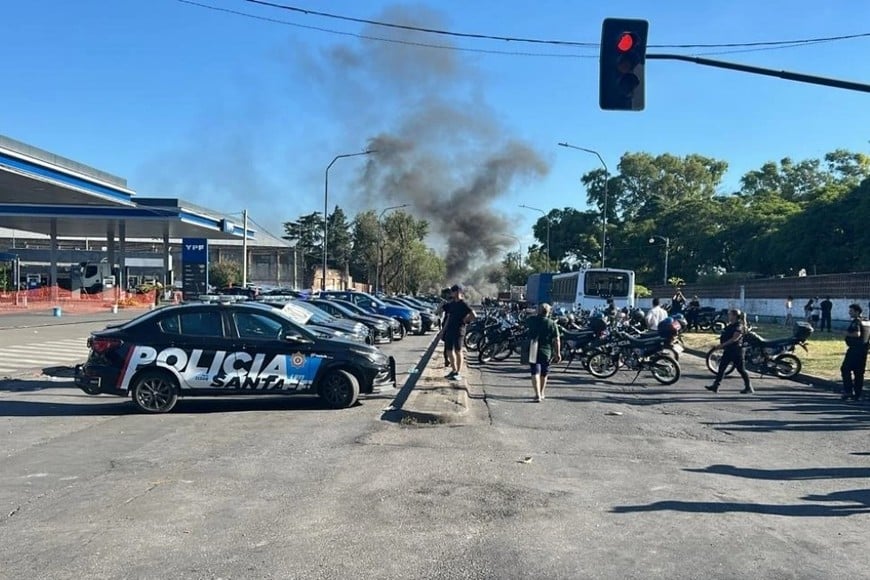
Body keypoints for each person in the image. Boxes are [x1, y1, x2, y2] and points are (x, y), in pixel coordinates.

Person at [705, 308, 754, 394]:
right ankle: (715, 386)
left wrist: (721, 345)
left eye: (730, 314)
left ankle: (749, 387)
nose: (728, 316)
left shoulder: (739, 326)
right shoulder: (731, 325)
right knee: (721, 368)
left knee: (741, 370)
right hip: (728, 350)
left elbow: (734, 339)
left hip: (736, 351)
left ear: (735, 316)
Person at [524, 303, 561, 402]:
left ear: (538, 311)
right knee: (544, 372)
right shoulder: (552, 323)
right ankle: (542, 392)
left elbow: (524, 320)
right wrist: (557, 353)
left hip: (533, 348)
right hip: (546, 351)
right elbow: (556, 340)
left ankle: (537, 394)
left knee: (535, 371)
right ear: (549, 312)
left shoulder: (532, 320)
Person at [440, 284, 475, 381]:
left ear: (458, 292)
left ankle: (458, 372)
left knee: (458, 351)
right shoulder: (451, 304)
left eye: (453, 291)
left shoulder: (463, 303)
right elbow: (448, 317)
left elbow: (473, 315)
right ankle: (454, 370)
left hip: (459, 330)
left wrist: (465, 320)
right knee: (449, 350)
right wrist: (443, 331)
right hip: (450, 330)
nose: (451, 293)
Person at [840, 303, 869, 402]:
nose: (849, 313)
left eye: (851, 311)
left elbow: (857, 334)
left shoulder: (856, 322)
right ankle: (858, 394)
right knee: (859, 373)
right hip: (863, 350)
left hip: (854, 350)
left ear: (857, 312)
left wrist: (846, 333)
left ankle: (848, 390)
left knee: (845, 369)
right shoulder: (867, 322)